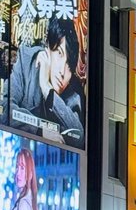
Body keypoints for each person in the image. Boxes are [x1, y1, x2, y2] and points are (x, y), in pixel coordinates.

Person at [8, 14, 85, 146]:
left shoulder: (73, 91)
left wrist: (46, 88)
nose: (62, 71)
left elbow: (78, 137)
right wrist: (39, 130)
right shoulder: (26, 60)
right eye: (59, 53)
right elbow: (4, 108)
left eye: (69, 65)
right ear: (47, 47)